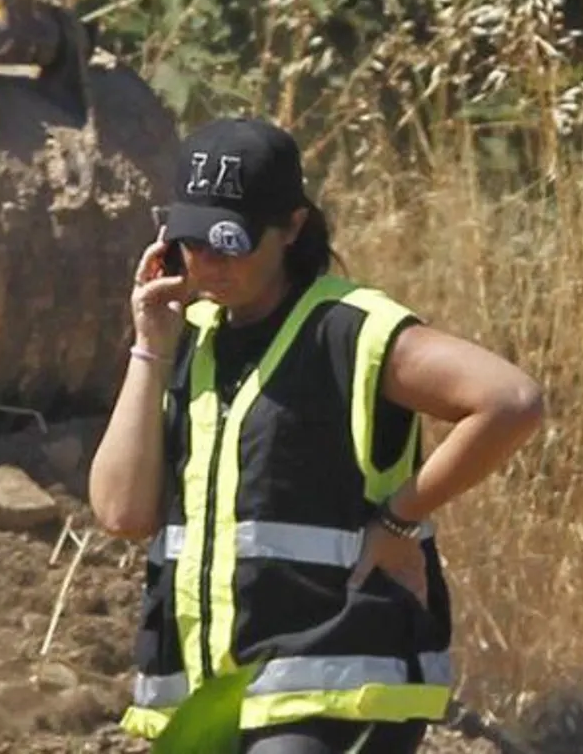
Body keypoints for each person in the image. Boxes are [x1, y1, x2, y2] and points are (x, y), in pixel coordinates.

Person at [90, 117, 546, 753]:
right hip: (215, 702)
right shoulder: (188, 339)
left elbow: (511, 402)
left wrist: (400, 519)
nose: (209, 264)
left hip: (335, 686)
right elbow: (120, 511)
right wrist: (149, 347)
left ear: (292, 228)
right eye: (195, 243)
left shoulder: (348, 329)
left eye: (232, 243)